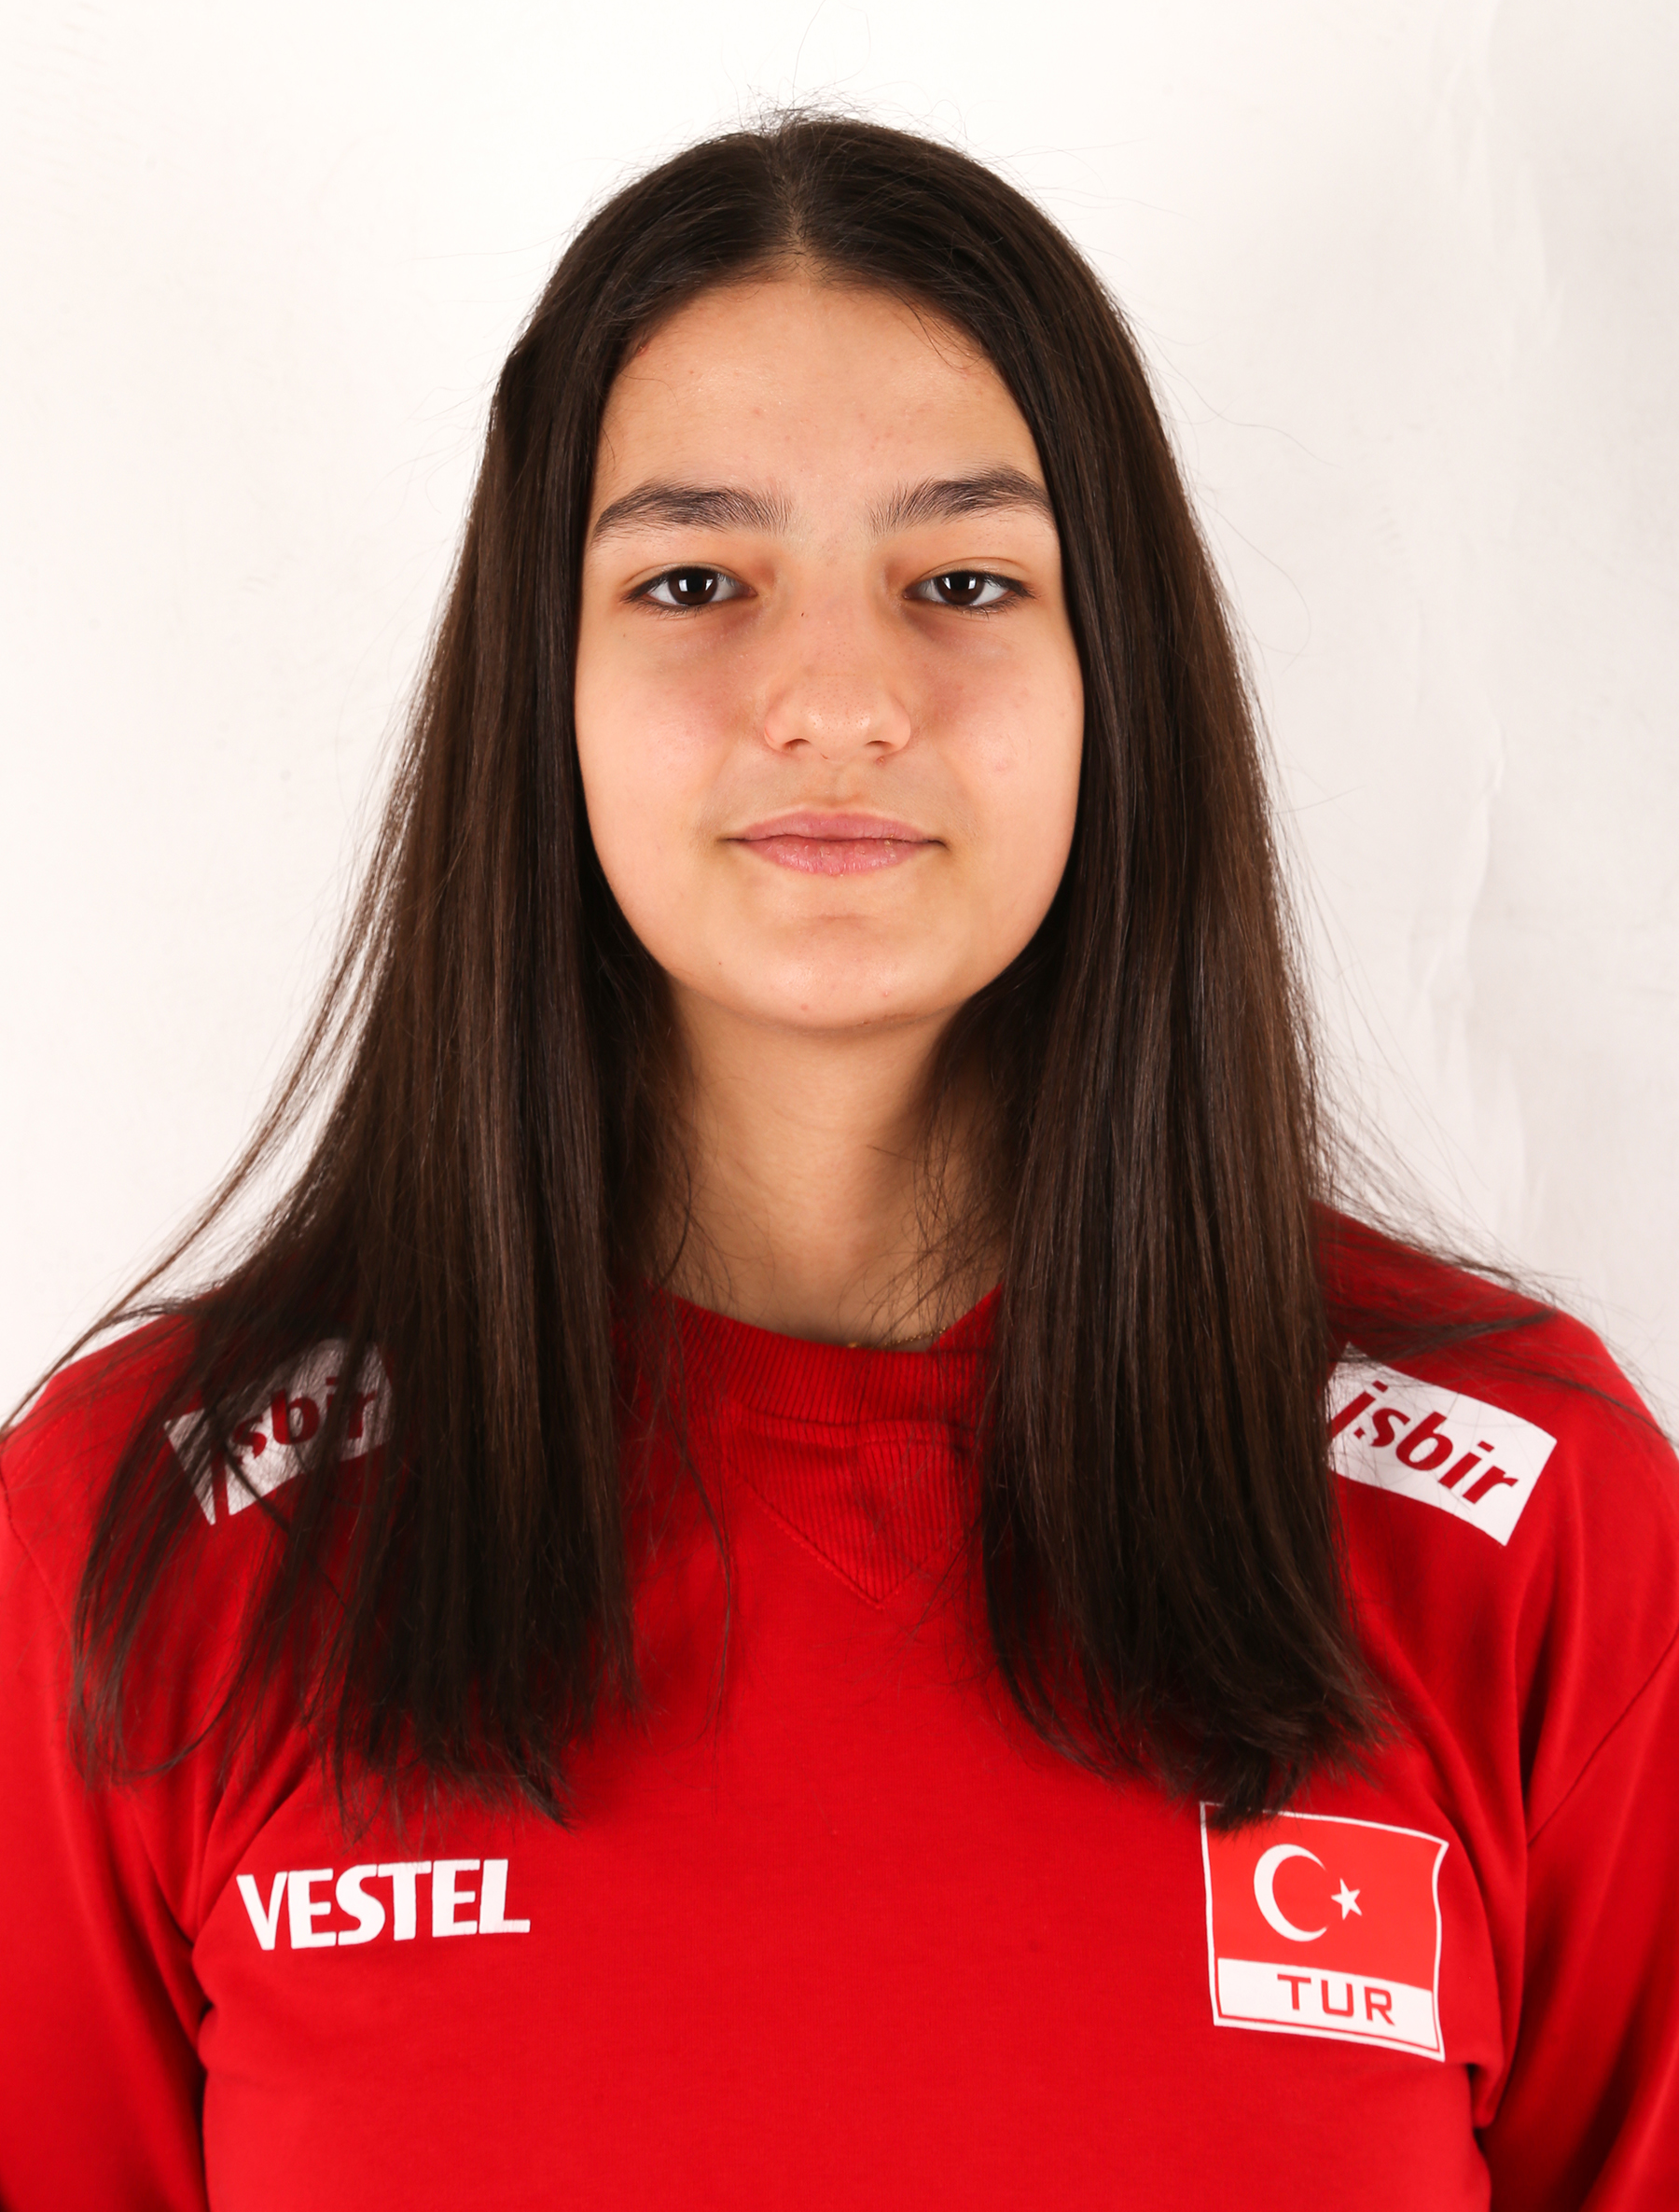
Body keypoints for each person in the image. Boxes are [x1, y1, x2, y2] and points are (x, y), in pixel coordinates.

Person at [3, 114, 1675, 2210]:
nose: (835, 698)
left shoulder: (1521, 1524)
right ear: (542, 687)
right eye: (692, 581)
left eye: (962, 580)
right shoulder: (147, 1543)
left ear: (1119, 677)